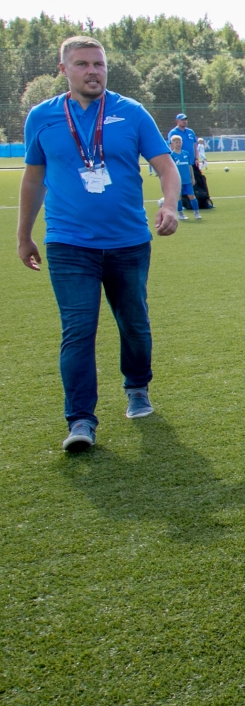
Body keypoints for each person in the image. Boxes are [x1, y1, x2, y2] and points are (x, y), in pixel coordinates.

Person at [18, 36, 181, 452]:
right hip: (68, 243)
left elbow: (166, 167)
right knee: (78, 329)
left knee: (134, 324)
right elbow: (34, 179)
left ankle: (137, 387)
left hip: (129, 242)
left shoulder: (132, 112)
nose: (93, 71)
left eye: (99, 64)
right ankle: (80, 419)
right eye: (82, 64)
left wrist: (170, 205)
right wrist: (24, 235)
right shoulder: (42, 117)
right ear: (64, 70)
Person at [166, 134, 201, 221]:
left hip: (187, 180)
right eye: (176, 142)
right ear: (172, 143)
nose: (178, 144)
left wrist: (192, 178)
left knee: (192, 196)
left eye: (179, 142)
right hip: (177, 180)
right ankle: (181, 214)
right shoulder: (171, 155)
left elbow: (190, 166)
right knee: (178, 197)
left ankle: (196, 213)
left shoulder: (186, 153)